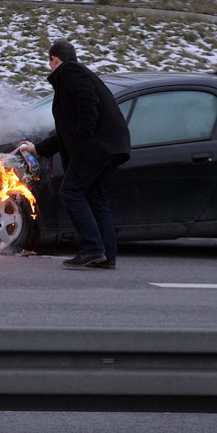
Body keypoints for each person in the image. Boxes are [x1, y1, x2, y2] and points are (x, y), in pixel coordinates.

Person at [19, 40, 130, 269]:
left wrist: (83, 139)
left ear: (55, 60)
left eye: (49, 62)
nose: (49, 68)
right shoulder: (78, 74)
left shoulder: (71, 72)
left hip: (96, 147)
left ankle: (92, 249)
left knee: (71, 192)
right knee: (95, 197)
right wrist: (38, 148)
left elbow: (87, 104)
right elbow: (67, 131)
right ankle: (106, 255)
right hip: (111, 146)